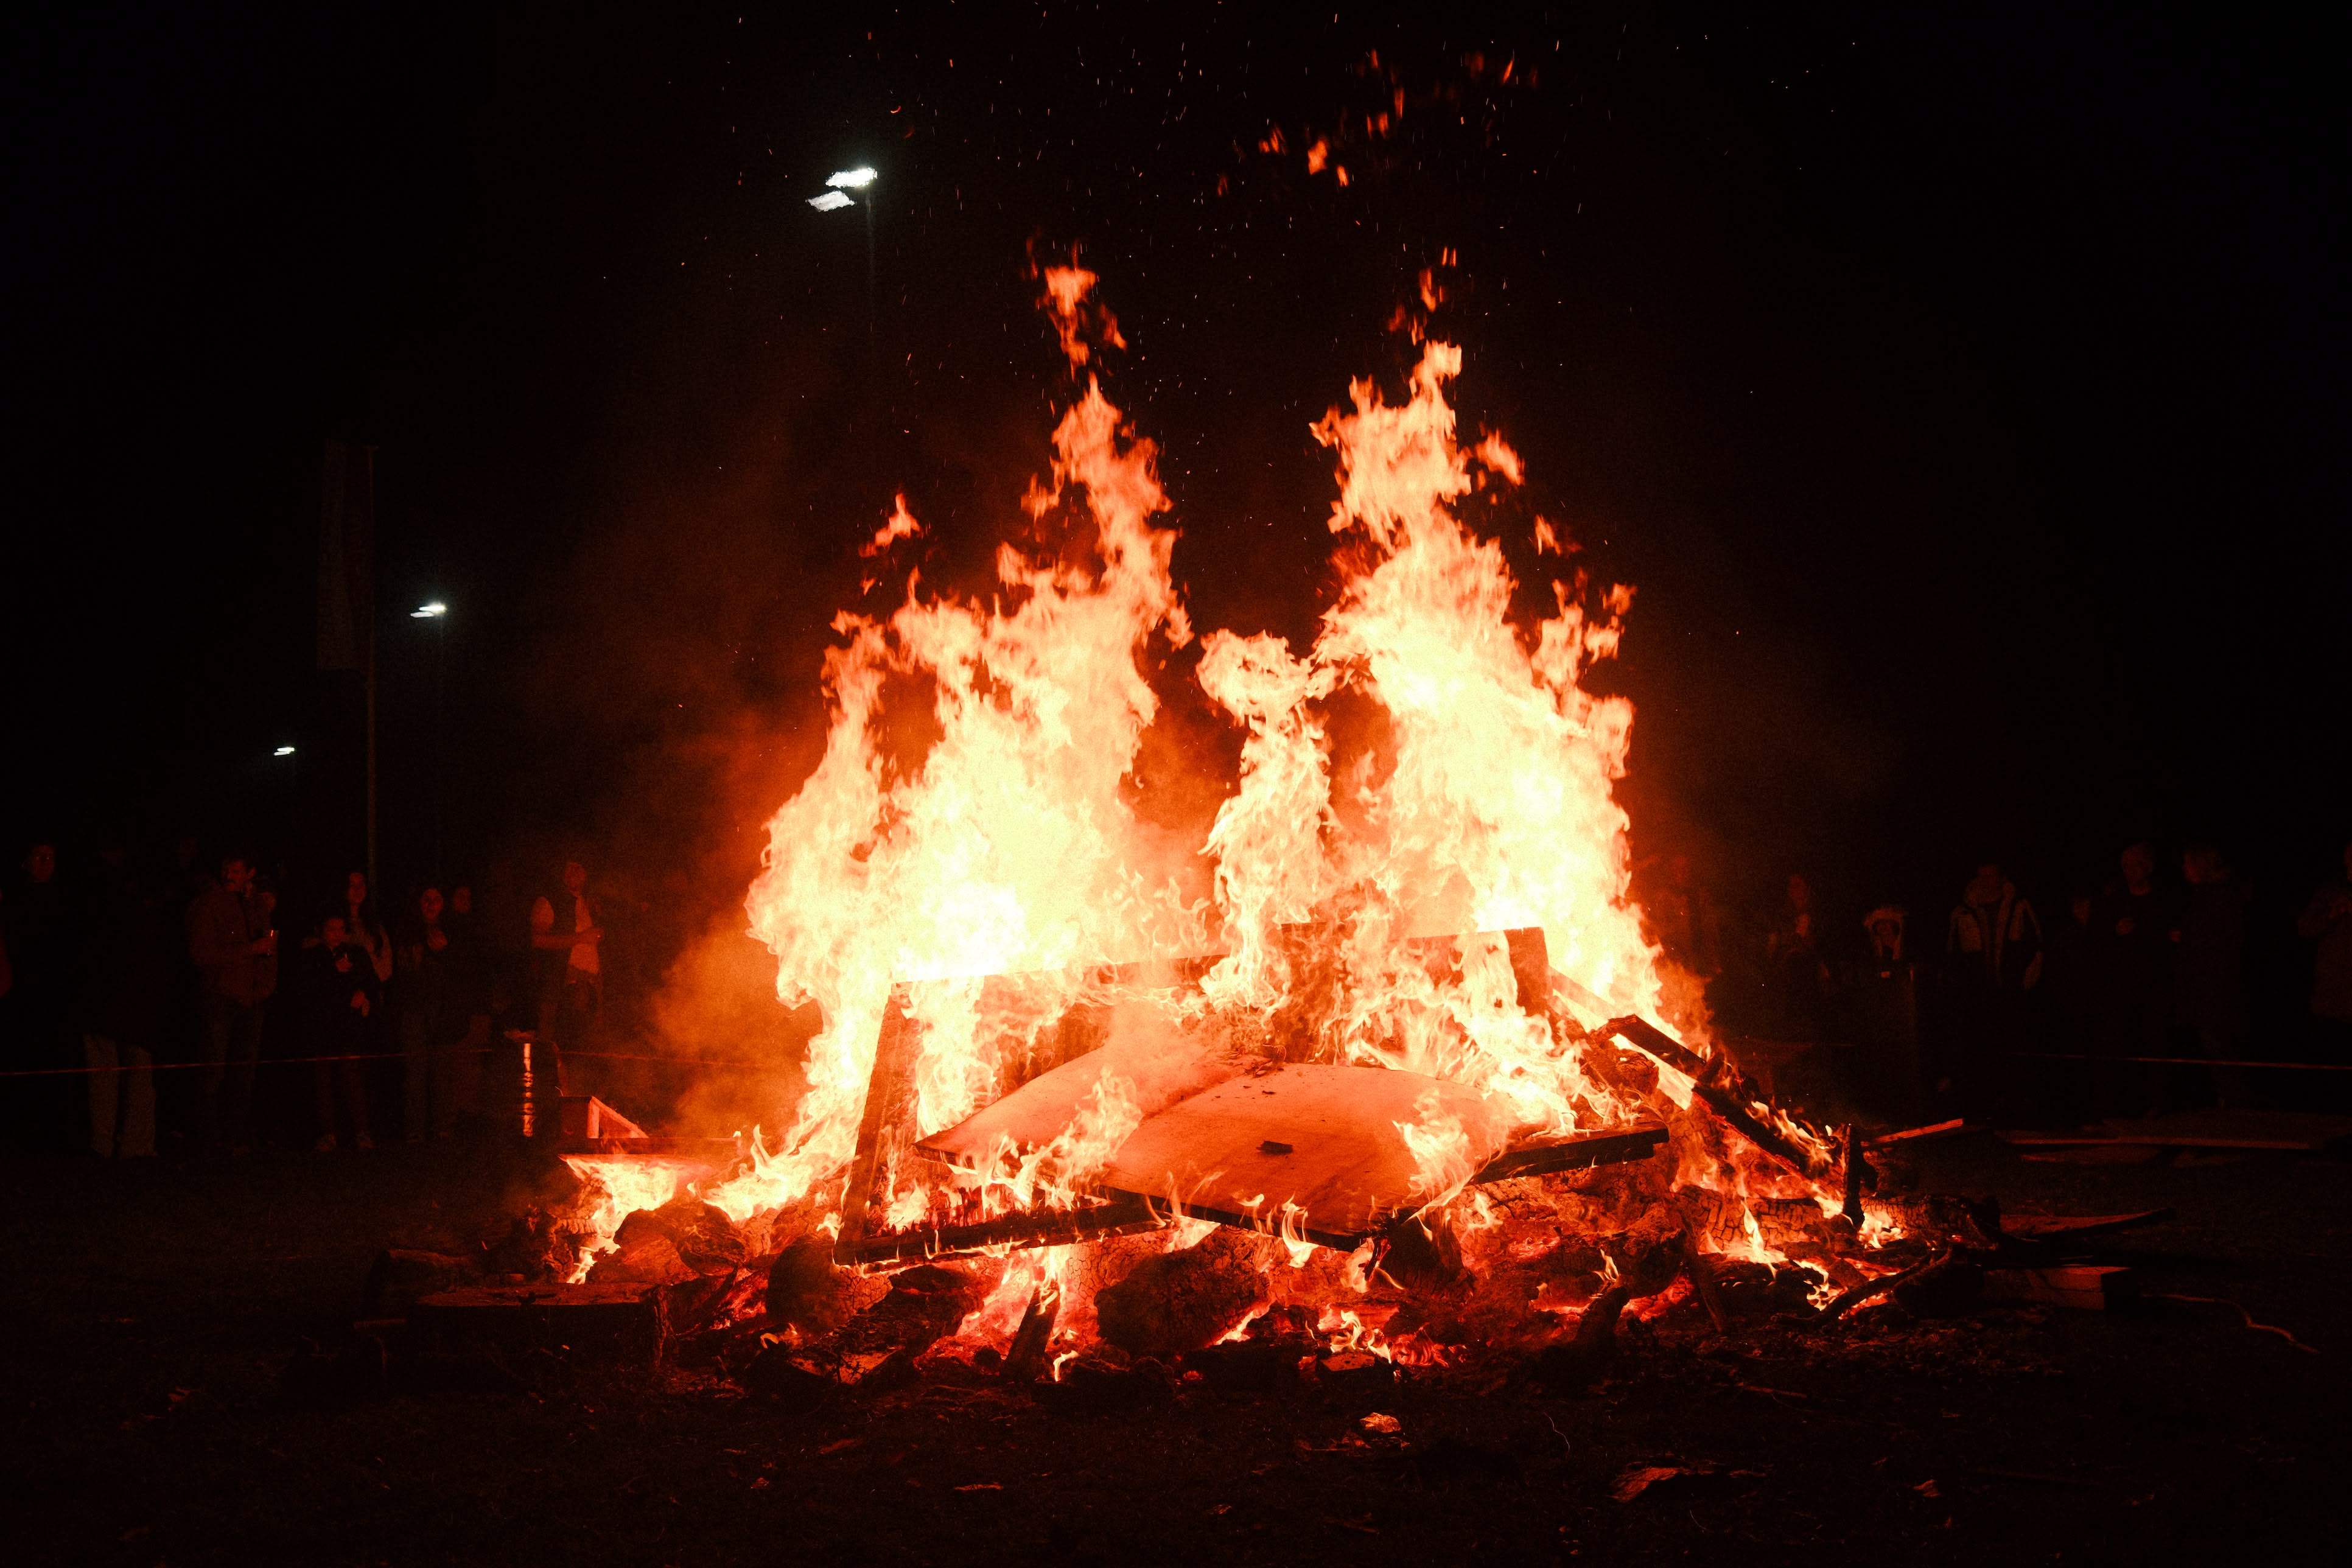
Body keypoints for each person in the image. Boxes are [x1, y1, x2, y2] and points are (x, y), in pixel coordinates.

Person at [73, 842, 163, 1158]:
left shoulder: (90, 898)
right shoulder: (136, 902)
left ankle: (107, 1143)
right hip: (127, 1002)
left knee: (108, 1079)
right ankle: (130, 1144)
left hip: (110, 1002)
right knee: (128, 1077)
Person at [184, 851, 276, 1154]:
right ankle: (208, 1138)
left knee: (244, 1070)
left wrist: (265, 986)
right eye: (226, 869)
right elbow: (200, 953)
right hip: (220, 996)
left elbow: (270, 947)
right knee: (214, 1069)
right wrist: (249, 950)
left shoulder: (256, 904)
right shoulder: (209, 903)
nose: (229, 876)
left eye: (236, 870)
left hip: (252, 998)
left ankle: (235, 1136)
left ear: (250, 873)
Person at [2095, 841, 2175, 1118]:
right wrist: (2115, 934)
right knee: (2117, 1042)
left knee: (2157, 1043)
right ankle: (2115, 1103)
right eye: (2125, 866)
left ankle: (2157, 1102)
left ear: (2149, 867)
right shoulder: (2114, 902)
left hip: (2156, 986)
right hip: (2121, 987)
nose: (2129, 871)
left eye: (2135, 864)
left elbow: (2174, 940)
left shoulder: (2165, 901)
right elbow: (2097, 943)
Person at [2175, 845, 2249, 1108]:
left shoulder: (2219, 897)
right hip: (2206, 986)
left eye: (2187, 862)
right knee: (2211, 1043)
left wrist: (2190, 940)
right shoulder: (2206, 896)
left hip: (2214, 986)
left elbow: (2226, 942)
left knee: (2216, 1042)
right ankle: (2226, 1099)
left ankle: (2235, 1101)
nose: (2183, 868)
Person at [300, 914, 377, 1150]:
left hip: (348, 1028)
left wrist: (364, 992)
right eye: (331, 929)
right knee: (323, 1081)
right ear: (320, 930)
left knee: (352, 1078)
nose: (337, 933)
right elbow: (306, 989)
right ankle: (328, 1134)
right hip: (322, 1028)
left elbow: (372, 980)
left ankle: (361, 1132)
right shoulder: (312, 956)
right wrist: (333, 971)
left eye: (341, 929)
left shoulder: (355, 953)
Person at [395, 887, 464, 1141]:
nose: (431, 905)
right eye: (426, 899)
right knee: (416, 1069)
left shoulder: (453, 930)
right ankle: (414, 1130)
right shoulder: (407, 931)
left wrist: (445, 951)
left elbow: (463, 970)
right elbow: (403, 968)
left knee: (442, 1069)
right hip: (414, 1008)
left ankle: (442, 1127)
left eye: (437, 899)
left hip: (443, 1008)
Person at [530, 857, 603, 1062]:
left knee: (582, 1054)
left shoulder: (589, 904)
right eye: (569, 868)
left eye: (578, 867)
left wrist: (600, 1005)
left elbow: (596, 954)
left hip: (588, 988)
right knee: (554, 1052)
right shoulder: (549, 901)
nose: (574, 872)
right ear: (561, 874)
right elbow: (537, 940)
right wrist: (580, 938)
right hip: (560, 987)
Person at [2297, 838, 2352, 1062]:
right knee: (2333, 1057)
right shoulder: (2330, 893)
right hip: (2334, 994)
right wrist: (2332, 915)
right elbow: (2304, 928)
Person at [1761, 872, 1831, 1039]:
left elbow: (1822, 943)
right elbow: (1776, 941)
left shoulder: (1818, 914)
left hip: (1812, 968)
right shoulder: (1784, 915)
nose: (1793, 889)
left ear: (1807, 888)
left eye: (1797, 885)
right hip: (1788, 969)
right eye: (1790, 885)